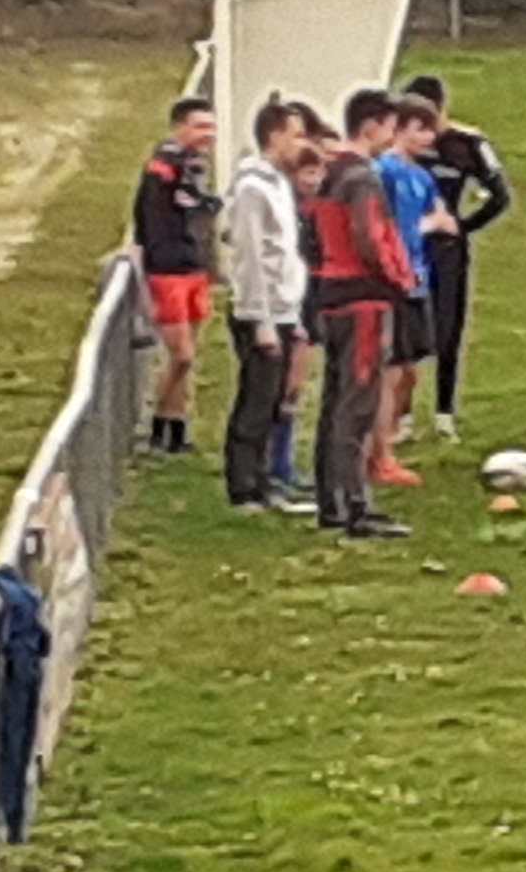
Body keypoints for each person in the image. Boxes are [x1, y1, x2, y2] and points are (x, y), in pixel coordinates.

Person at [301, 91, 420, 540]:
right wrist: (397, 279)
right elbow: (369, 235)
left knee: (335, 399)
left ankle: (330, 501)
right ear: (373, 126)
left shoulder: (326, 173)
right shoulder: (361, 177)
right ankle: (353, 505)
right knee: (358, 402)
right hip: (363, 298)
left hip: (330, 294)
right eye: (390, 126)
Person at [397, 73, 511, 439]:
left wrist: (462, 227)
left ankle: (444, 413)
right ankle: (401, 415)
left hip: (445, 250)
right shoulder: (397, 146)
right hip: (403, 247)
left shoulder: (468, 143)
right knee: (405, 329)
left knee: (448, 327)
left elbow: (500, 196)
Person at [219, 100, 311, 515]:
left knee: (274, 399)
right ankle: (243, 487)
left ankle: (263, 479)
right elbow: (251, 257)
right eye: (296, 135)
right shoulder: (252, 189)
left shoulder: (277, 183)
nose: (302, 143)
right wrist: (262, 320)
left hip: (283, 307)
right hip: (263, 311)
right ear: (274, 137)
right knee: (257, 399)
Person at [130, 100, 217, 453]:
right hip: (168, 269)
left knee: (188, 356)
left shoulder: (194, 165)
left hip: (193, 265)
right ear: (179, 127)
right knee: (181, 355)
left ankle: (177, 426)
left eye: (212, 127)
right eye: (200, 127)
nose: (209, 135)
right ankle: (156, 422)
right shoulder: (164, 167)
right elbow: (149, 215)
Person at [372, 96, 449, 493]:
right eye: (420, 129)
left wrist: (437, 222)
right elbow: (392, 227)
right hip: (393, 281)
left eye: (431, 129)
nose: (428, 137)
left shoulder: (422, 176)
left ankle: (385, 442)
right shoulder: (383, 171)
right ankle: (377, 454)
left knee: (409, 372)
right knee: (391, 370)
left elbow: (440, 215)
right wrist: (428, 224)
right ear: (399, 129)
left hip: (417, 280)